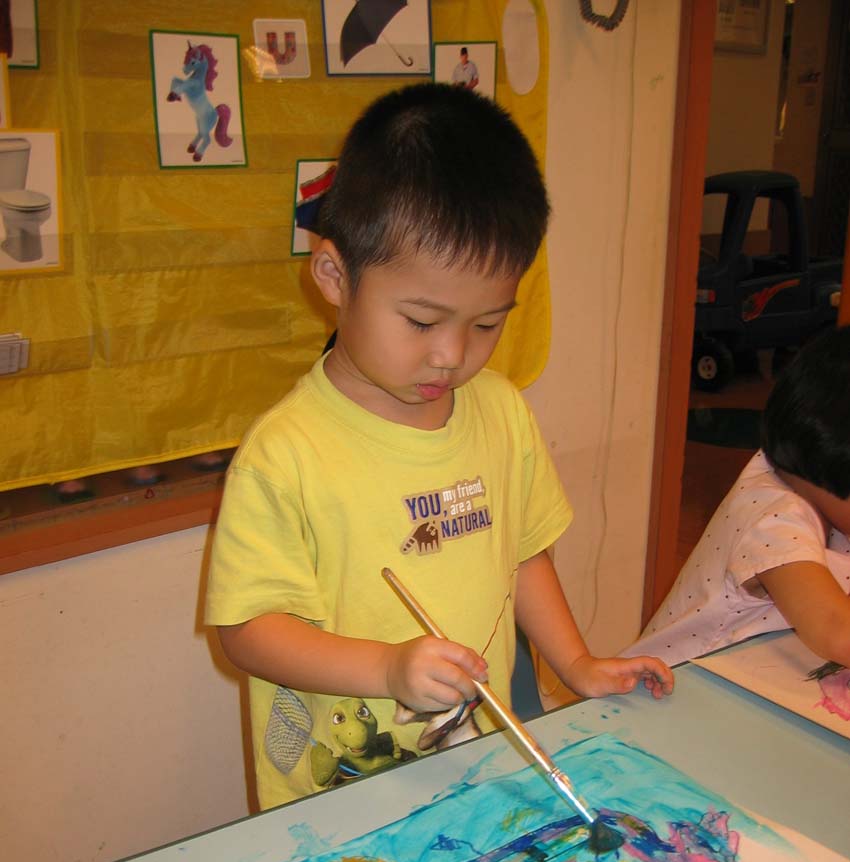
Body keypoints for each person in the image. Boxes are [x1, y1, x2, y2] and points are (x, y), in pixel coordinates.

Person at [206, 82, 673, 809]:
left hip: (481, 769)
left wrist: (576, 663)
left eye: (486, 324)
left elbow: (523, 555)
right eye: (422, 321)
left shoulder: (501, 412)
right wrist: (389, 669)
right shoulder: (286, 452)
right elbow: (248, 631)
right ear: (335, 277)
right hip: (344, 800)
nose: (452, 355)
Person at [622, 325, 850, 669]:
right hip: (666, 689)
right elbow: (837, 633)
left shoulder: (811, 481)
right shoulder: (774, 517)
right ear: (831, 462)